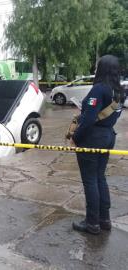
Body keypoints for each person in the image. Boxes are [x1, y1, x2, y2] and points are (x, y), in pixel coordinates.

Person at [71, 55, 125, 235]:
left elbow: (88, 121)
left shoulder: (99, 89)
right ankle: (104, 219)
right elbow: (102, 114)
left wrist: (76, 137)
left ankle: (92, 222)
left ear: (101, 69)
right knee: (100, 177)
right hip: (108, 135)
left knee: (90, 180)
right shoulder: (119, 91)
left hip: (92, 138)